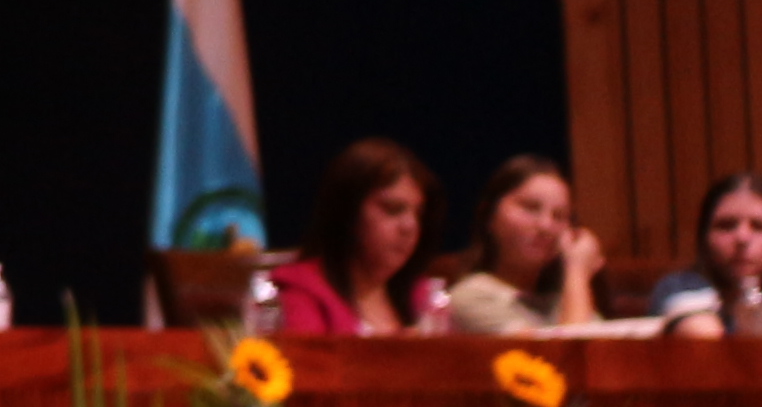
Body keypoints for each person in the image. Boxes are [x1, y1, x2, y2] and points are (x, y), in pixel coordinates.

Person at [256, 138, 437, 337]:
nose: (410, 226)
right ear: (347, 212)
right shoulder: (303, 293)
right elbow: (312, 366)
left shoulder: (423, 298)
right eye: (392, 210)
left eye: (418, 214)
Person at [438, 152, 607, 336]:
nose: (545, 226)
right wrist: (576, 270)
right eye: (530, 207)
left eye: (559, 216)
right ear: (490, 215)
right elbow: (567, 357)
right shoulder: (471, 296)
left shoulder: (564, 298)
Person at [655, 169, 762, 339]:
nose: (742, 238)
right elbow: (711, 346)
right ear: (704, 237)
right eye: (726, 225)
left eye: (759, 226)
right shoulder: (680, 288)